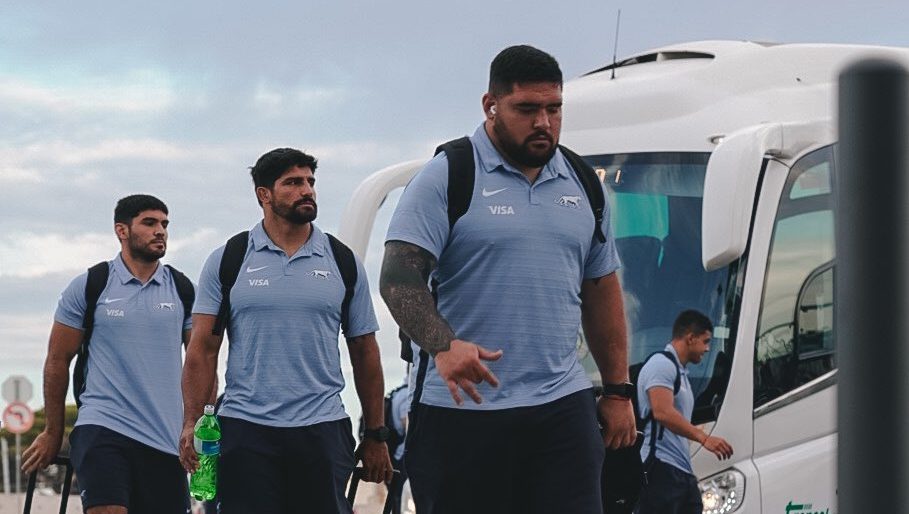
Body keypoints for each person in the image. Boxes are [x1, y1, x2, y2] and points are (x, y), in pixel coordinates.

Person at [380, 45, 636, 514]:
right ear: (490, 105)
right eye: (527, 109)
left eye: (554, 109)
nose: (544, 122)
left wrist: (619, 391)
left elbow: (601, 289)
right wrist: (443, 346)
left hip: (561, 406)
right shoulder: (448, 176)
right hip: (462, 411)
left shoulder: (582, 181)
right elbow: (398, 279)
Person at [180, 148, 393, 514]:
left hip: (322, 428)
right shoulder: (229, 259)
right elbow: (202, 350)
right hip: (246, 428)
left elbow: (365, 350)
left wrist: (376, 434)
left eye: (310, 181)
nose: (306, 190)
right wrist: (191, 422)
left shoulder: (342, 260)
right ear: (264, 194)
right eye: (293, 183)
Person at [21, 194, 193, 514]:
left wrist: (194, 423)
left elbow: (200, 362)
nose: (160, 231)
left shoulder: (183, 290)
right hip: (103, 426)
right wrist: (53, 431)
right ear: (122, 230)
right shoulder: (91, 284)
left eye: (164, 224)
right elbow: (57, 360)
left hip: (165, 438)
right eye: (149, 222)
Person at [635, 310, 734, 514]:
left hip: (681, 471)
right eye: (705, 341)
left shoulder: (682, 374)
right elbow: (662, 412)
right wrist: (704, 438)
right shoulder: (661, 364)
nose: (707, 349)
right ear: (690, 338)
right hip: (660, 467)